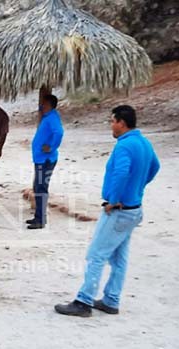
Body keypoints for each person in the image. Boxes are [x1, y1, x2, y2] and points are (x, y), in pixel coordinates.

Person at [55, 105, 160, 317]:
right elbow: (154, 167)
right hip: (134, 209)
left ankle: (84, 301)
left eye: (112, 121)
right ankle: (111, 299)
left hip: (120, 210)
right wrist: (137, 187)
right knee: (119, 257)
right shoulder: (144, 142)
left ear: (121, 122)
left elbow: (121, 172)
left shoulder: (124, 146)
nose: (111, 125)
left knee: (96, 255)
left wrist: (114, 199)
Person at [27, 94, 64, 229]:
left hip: (46, 159)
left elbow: (59, 132)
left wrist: (51, 146)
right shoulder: (48, 117)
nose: (41, 106)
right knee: (38, 187)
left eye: (44, 104)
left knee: (41, 187)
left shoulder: (52, 117)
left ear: (49, 105)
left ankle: (40, 219)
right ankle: (38, 216)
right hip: (41, 158)